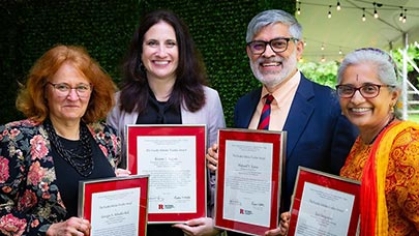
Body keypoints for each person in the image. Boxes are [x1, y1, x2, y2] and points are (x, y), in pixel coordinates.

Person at [206, 9, 357, 235]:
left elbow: (346, 189)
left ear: (298, 48)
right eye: (258, 45)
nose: (268, 53)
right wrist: (224, 163)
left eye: (279, 43)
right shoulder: (244, 106)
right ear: (249, 52)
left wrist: (299, 222)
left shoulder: (332, 106)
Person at [106, 9, 225, 236]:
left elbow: (218, 169)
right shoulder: (117, 103)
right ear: (140, 52)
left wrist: (215, 223)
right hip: (133, 226)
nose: (161, 52)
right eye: (152, 43)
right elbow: (109, 164)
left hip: (190, 228)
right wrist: (114, 173)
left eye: (170, 43)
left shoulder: (210, 100)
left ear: (182, 51)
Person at [0, 45, 122, 235]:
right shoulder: (16, 138)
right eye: (62, 87)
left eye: (81, 87)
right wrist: (48, 230)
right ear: (44, 91)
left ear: (92, 92)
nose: (73, 97)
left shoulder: (108, 137)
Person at [336, 48, 419, 235]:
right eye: (347, 89)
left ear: (393, 96)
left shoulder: (409, 148)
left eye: (369, 89)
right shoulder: (362, 141)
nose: (357, 99)